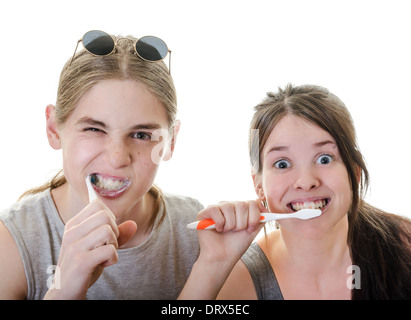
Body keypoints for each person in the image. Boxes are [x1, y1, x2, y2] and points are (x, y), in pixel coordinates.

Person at [0, 30, 203, 299]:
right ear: (53, 128)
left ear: (171, 141)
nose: (118, 158)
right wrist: (63, 289)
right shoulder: (13, 242)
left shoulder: (196, 230)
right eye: (95, 129)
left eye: (142, 135)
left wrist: (214, 266)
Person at [180, 84, 411, 300]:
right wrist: (213, 262)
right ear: (258, 186)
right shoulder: (242, 282)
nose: (306, 181)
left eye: (324, 158)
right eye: (282, 164)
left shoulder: (404, 245)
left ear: (355, 173)